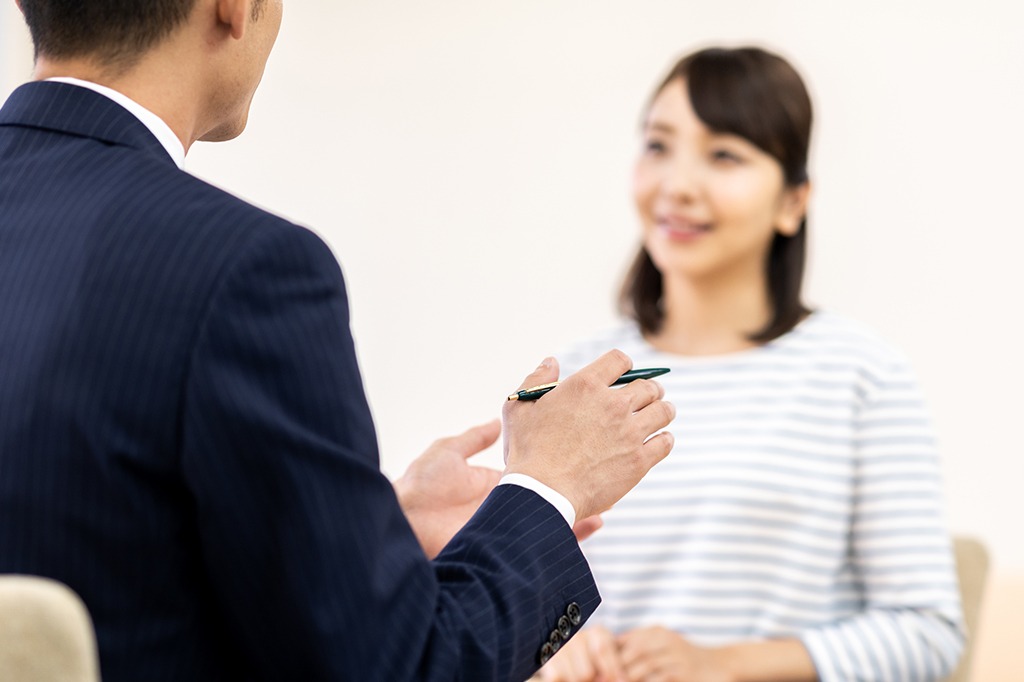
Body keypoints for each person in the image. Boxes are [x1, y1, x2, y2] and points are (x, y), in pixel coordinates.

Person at [0, 1, 677, 680]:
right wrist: (548, 487)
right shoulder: (245, 268)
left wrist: (368, 533)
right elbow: (403, 668)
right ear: (235, 8)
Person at [537, 47, 964, 682]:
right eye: (658, 145)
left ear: (794, 201)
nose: (677, 185)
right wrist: (552, 644)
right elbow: (516, 598)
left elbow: (927, 633)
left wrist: (724, 665)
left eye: (725, 155)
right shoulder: (577, 375)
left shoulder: (861, 376)